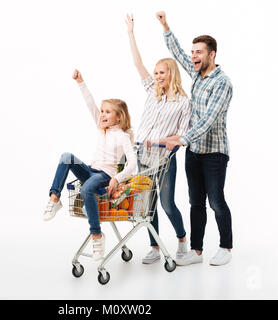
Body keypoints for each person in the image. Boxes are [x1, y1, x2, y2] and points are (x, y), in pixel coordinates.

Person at [156, 11, 234, 266]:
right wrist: (166, 26)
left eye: (199, 52)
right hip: (194, 151)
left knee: (216, 201)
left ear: (212, 54)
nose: (193, 57)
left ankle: (225, 247)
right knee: (195, 202)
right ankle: (197, 251)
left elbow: (209, 120)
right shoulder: (196, 74)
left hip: (214, 152)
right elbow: (177, 52)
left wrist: (181, 138)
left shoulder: (222, 82)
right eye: (193, 53)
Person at [43, 69, 137, 261]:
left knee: (87, 188)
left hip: (104, 176)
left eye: (107, 112)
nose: (102, 114)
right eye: (102, 111)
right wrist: (80, 82)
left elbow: (132, 164)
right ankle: (54, 198)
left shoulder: (123, 136)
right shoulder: (101, 128)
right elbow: (89, 103)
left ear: (119, 117)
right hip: (91, 171)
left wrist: (116, 179)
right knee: (66, 156)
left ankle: (96, 235)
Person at [125, 14, 192, 264]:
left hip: (163, 159)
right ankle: (154, 246)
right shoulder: (151, 93)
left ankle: (182, 240)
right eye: (155, 72)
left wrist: (160, 141)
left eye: (161, 72)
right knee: (147, 205)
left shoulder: (183, 102)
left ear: (171, 73)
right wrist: (131, 33)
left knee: (166, 204)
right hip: (141, 155)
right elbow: (137, 63)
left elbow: (183, 135)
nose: (157, 76)